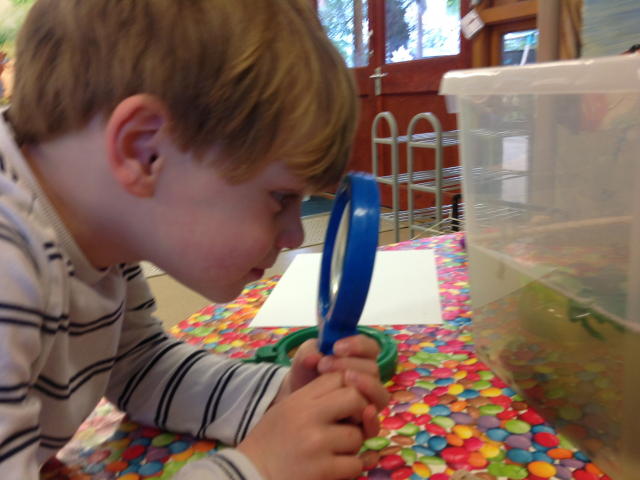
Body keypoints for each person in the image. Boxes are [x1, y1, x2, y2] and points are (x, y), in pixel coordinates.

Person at [0, 1, 389, 479]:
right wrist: (256, 470)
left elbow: (141, 368)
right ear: (144, 152)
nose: (293, 236)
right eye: (280, 197)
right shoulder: (7, 258)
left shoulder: (106, 232)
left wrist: (277, 397)